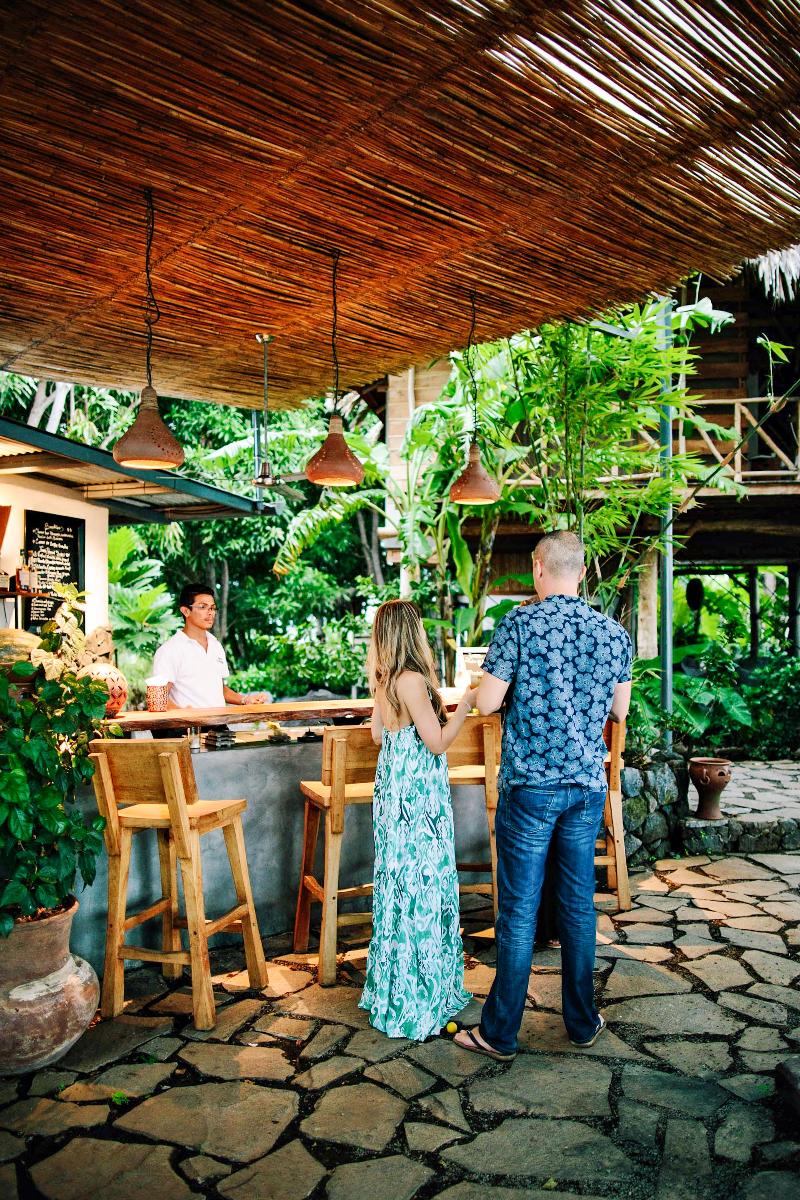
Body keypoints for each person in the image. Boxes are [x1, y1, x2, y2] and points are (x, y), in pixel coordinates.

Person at [455, 531, 632, 1061]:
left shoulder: (519, 624)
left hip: (531, 787)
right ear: (582, 572)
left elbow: (488, 703)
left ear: (537, 567)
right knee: (577, 907)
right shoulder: (612, 632)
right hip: (585, 788)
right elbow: (620, 711)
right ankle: (581, 1022)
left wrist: (476, 690)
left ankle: (500, 1033)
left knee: (518, 909)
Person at [359, 599, 475, 1040]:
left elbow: (377, 734)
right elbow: (438, 742)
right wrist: (465, 704)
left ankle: (394, 988)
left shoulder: (385, 680)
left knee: (400, 884)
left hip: (394, 795)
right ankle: (422, 993)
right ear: (413, 633)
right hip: (419, 800)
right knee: (424, 883)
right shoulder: (411, 680)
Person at [153, 583, 268, 709]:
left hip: (220, 720)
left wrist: (245, 700)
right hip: (188, 722)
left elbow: (218, 689)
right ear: (186, 611)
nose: (210, 613)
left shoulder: (215, 645)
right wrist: (185, 715)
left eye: (212, 608)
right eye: (203, 607)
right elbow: (158, 699)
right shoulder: (169, 650)